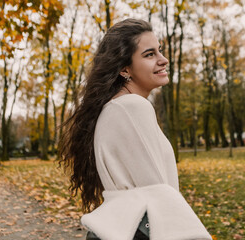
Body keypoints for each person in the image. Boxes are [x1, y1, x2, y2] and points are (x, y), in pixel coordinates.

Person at [58, 19, 212, 240]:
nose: (163, 60)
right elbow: (159, 194)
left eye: (160, 51)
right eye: (150, 55)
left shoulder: (115, 107)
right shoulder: (133, 107)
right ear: (125, 69)